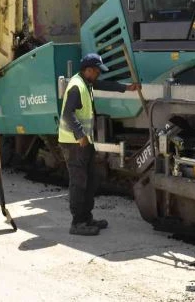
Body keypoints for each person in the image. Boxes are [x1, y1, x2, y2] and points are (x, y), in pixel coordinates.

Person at [59, 52, 140, 236]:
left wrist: (127, 88)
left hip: (83, 142)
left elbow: (104, 84)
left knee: (90, 180)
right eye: (96, 71)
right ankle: (77, 223)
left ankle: (86, 218)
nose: (98, 75)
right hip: (73, 143)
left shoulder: (86, 82)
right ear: (88, 70)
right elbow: (67, 114)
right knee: (79, 183)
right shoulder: (76, 86)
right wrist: (80, 135)